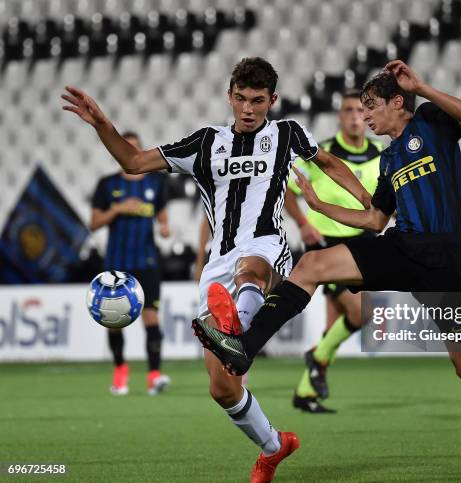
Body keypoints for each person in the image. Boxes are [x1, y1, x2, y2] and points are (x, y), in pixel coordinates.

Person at [195, 61, 461, 483]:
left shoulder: (432, 121)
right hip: (401, 248)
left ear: (398, 102)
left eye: (371, 107)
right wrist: (317, 204)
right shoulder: (389, 160)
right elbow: (375, 219)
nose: (365, 117)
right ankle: (243, 346)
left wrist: (421, 85)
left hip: (446, 260)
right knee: (312, 264)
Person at [63, 57, 370, 482]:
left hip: (266, 247)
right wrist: (100, 124)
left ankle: (236, 332)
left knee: (252, 270)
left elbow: (330, 163)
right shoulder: (205, 144)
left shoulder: (287, 134)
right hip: (217, 264)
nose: (247, 109)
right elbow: (133, 162)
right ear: (229, 96)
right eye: (240, 99)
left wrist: (365, 201)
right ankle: (273, 447)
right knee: (222, 387)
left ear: (272, 101)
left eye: (257, 101)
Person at [284, 89, 384, 413]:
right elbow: (286, 190)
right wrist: (302, 223)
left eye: (360, 110)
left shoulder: (381, 153)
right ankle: (317, 358)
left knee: (338, 324)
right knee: (360, 314)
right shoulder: (322, 154)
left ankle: (305, 392)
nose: (355, 116)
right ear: (340, 116)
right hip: (325, 244)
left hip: (363, 243)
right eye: (348, 110)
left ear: (367, 116)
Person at [90, 131, 172, 396]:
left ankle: (154, 376)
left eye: (135, 148)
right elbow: (94, 223)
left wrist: (164, 226)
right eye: (127, 148)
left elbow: (162, 216)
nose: (131, 152)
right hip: (116, 265)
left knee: (151, 318)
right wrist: (117, 209)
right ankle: (120, 372)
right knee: (114, 320)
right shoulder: (107, 185)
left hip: (146, 260)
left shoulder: (155, 184)